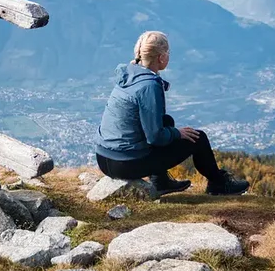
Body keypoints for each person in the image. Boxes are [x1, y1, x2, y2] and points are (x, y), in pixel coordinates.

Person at [95, 31, 250, 196]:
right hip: (124, 164)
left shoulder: (129, 75)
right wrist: (177, 133)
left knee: (166, 121)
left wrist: (172, 131)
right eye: (168, 53)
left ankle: (160, 181)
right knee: (198, 138)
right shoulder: (149, 85)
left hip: (104, 158)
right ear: (161, 58)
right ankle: (219, 185)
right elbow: (155, 137)